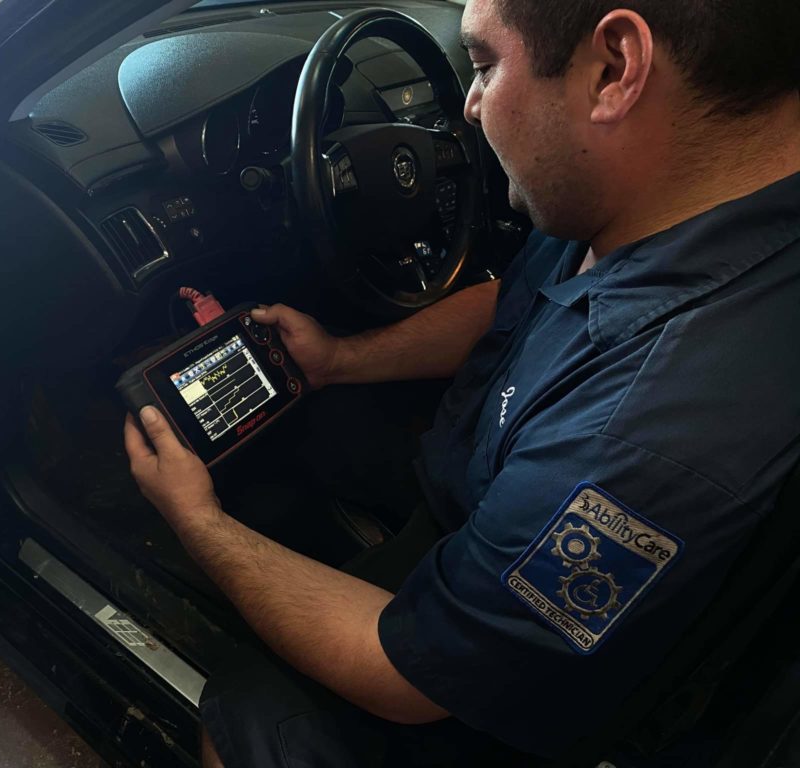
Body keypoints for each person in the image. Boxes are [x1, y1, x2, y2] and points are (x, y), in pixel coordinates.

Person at [123, 0, 800, 764]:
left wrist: (196, 520)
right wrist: (340, 358)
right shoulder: (652, 197)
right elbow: (514, 302)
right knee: (325, 420)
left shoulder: (650, 432)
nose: (469, 109)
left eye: (482, 66)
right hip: (479, 465)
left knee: (253, 708)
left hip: (535, 700)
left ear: (613, 70)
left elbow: (409, 681)